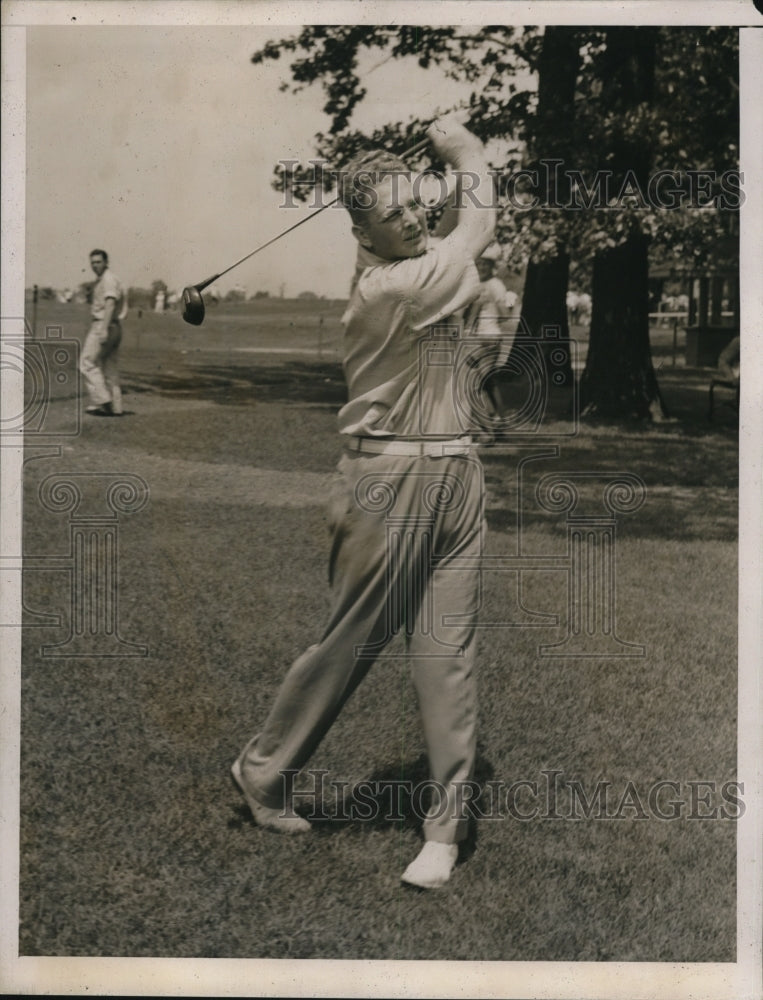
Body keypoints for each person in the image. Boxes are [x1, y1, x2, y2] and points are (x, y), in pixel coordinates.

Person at [231, 115, 496, 889]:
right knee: (348, 645)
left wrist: (429, 182)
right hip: (388, 485)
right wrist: (465, 151)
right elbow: (473, 221)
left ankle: (441, 834)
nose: (414, 218)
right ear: (364, 237)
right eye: (393, 216)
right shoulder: (391, 288)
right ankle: (262, 769)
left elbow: (446, 231)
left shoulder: (408, 259)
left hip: (456, 476)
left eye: (416, 203)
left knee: (448, 656)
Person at [80, 249, 127, 416]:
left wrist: (104, 329)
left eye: (98, 262)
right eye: (92, 262)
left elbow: (110, 304)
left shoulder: (108, 279)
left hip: (104, 324)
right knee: (109, 365)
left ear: (106, 262)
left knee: (87, 363)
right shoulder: (105, 279)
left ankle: (103, 400)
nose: (95, 265)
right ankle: (116, 406)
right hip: (114, 326)